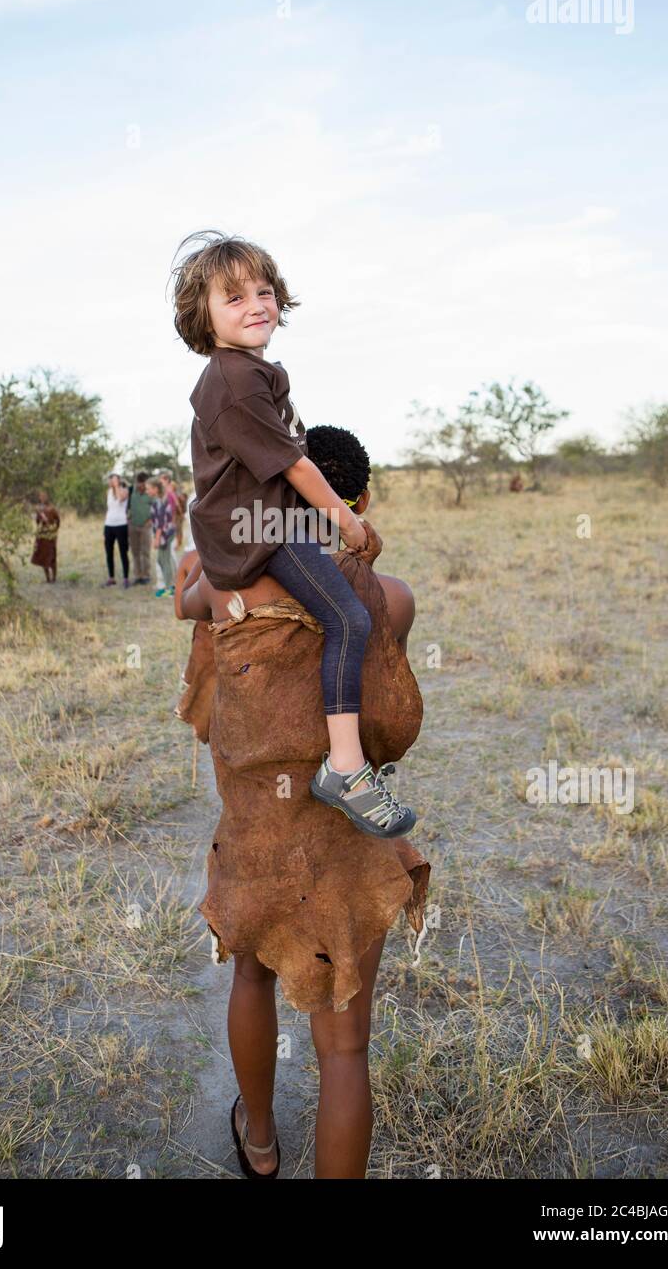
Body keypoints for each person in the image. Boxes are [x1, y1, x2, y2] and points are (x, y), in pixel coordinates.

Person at [173, 423, 430, 1179]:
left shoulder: (226, 590)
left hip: (256, 836)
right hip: (345, 840)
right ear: (364, 500)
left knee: (251, 975)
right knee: (346, 1047)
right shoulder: (393, 600)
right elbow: (390, 716)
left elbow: (188, 592)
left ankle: (259, 1144)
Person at [171, 228, 416, 839]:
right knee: (352, 619)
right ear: (203, 317)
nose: (256, 304)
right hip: (261, 532)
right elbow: (294, 466)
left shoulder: (254, 373)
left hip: (262, 520)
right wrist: (347, 518)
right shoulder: (232, 380)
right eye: (234, 297)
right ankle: (347, 767)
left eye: (264, 290)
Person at [102, 472, 130, 588]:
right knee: (109, 552)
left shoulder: (124, 490)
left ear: (118, 480)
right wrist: (105, 527)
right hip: (109, 525)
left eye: (114, 480)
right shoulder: (108, 492)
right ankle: (111, 577)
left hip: (121, 525)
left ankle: (126, 578)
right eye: (111, 480)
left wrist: (117, 486)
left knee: (123, 552)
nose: (112, 482)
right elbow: (110, 509)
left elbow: (120, 499)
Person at [150, 477, 176, 597]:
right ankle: (170, 586)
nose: (147, 491)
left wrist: (156, 538)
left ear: (155, 489)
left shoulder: (161, 500)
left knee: (164, 560)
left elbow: (161, 523)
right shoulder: (158, 499)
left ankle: (169, 589)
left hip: (165, 534)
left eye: (148, 489)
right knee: (162, 560)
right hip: (164, 534)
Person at [128, 469, 153, 585]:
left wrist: (151, 520)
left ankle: (146, 575)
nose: (141, 485)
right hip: (132, 525)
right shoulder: (131, 490)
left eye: (143, 483)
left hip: (145, 527)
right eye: (139, 483)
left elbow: (156, 507)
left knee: (145, 551)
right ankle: (137, 576)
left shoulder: (150, 494)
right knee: (135, 551)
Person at [30, 490, 60, 583]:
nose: (43, 498)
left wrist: (53, 530)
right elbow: (38, 522)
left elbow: (58, 521)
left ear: (47, 497)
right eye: (41, 496)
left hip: (50, 536)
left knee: (52, 556)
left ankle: (54, 578)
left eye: (44, 496)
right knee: (43, 557)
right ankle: (47, 578)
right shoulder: (39, 509)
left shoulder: (52, 509)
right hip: (42, 536)